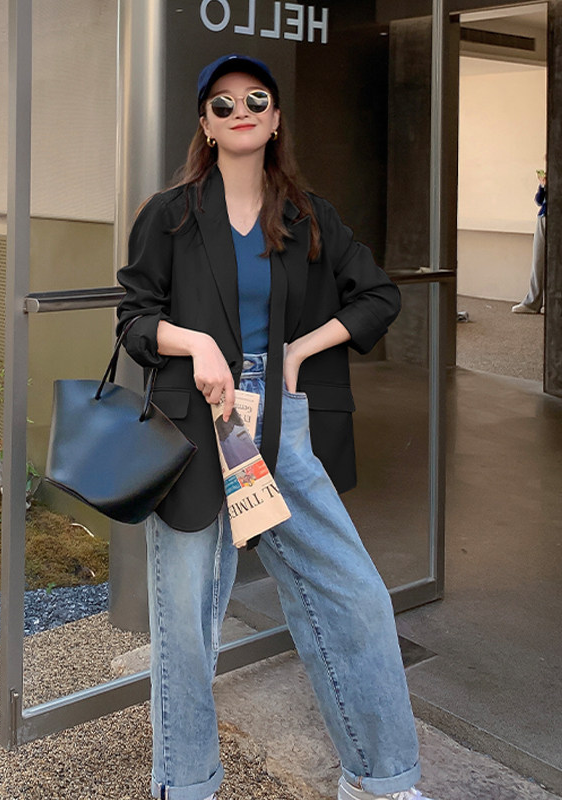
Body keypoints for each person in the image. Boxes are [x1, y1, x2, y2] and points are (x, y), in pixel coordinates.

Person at [117, 54, 434, 800]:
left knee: (354, 595)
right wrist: (195, 343)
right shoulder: (170, 214)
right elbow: (134, 318)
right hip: (193, 427)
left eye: (255, 100)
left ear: (277, 118)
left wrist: (298, 349)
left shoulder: (307, 214)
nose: (241, 112)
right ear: (205, 124)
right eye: (223, 104)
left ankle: (382, 781)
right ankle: (185, 786)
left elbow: (378, 296)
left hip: (280, 424)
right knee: (187, 622)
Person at [512, 169, 547, 314]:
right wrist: (543, 186)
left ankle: (552, 303)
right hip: (544, 217)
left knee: (555, 263)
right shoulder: (548, 179)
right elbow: (538, 201)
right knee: (538, 260)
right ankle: (532, 303)